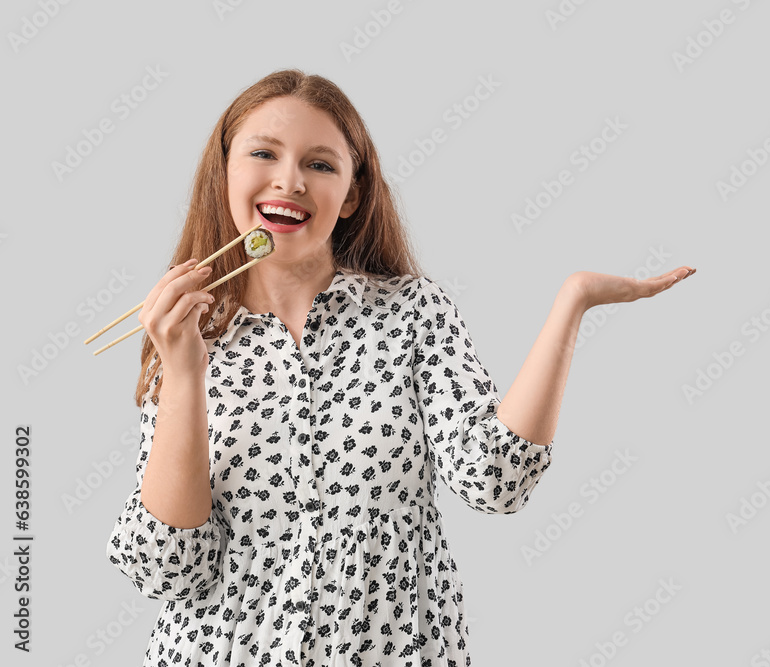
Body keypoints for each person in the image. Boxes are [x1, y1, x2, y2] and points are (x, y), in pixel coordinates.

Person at [105, 68, 696, 667]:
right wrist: (183, 374)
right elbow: (169, 569)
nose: (289, 181)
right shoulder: (184, 332)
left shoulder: (413, 314)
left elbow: (495, 481)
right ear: (226, 171)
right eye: (263, 153)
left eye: (321, 164)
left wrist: (574, 302)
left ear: (352, 194)